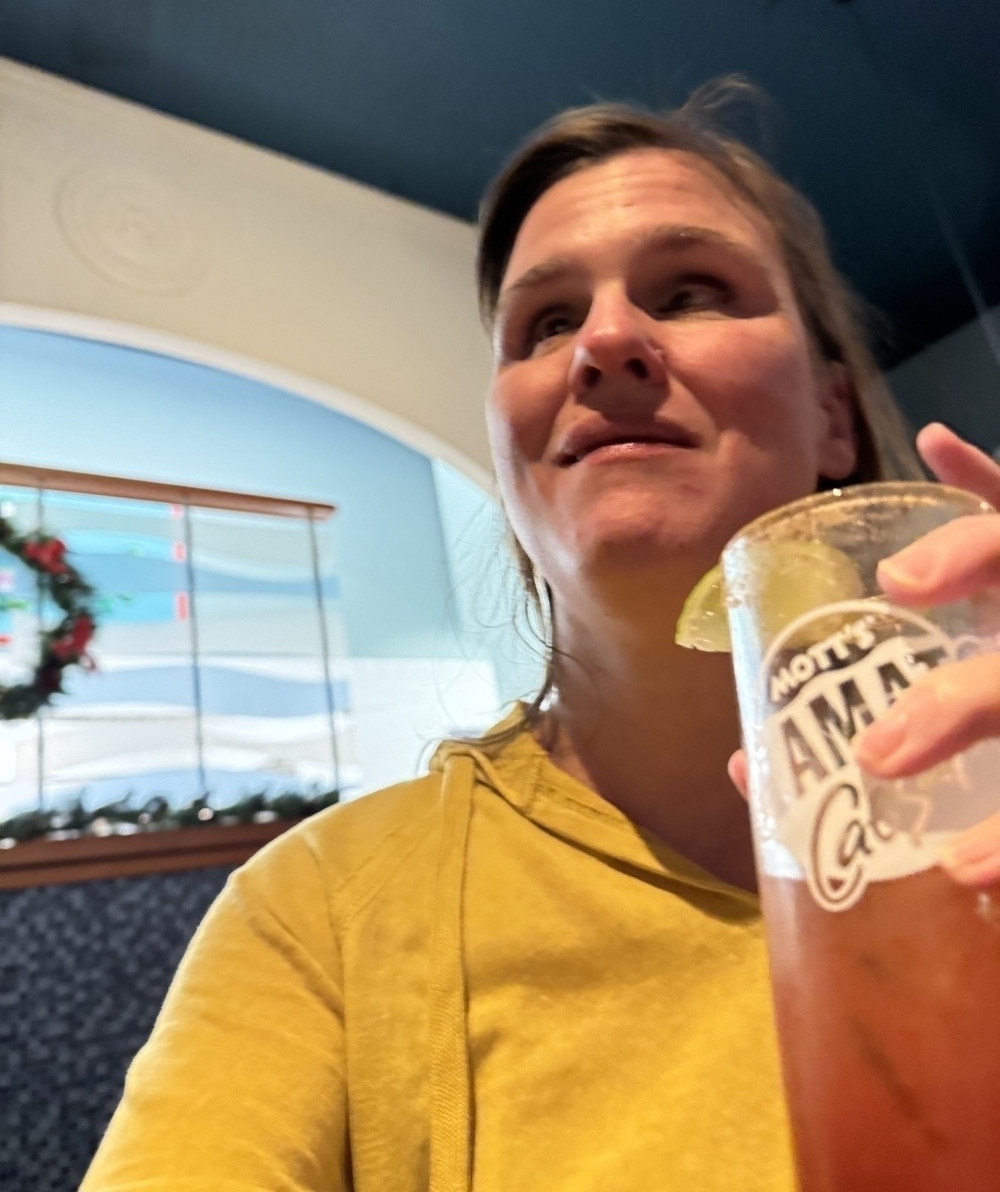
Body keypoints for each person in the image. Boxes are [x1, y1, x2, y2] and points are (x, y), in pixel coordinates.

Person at [81, 85, 1000, 1192]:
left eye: (692, 290)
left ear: (833, 415)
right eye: (547, 322)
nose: (606, 342)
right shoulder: (322, 915)